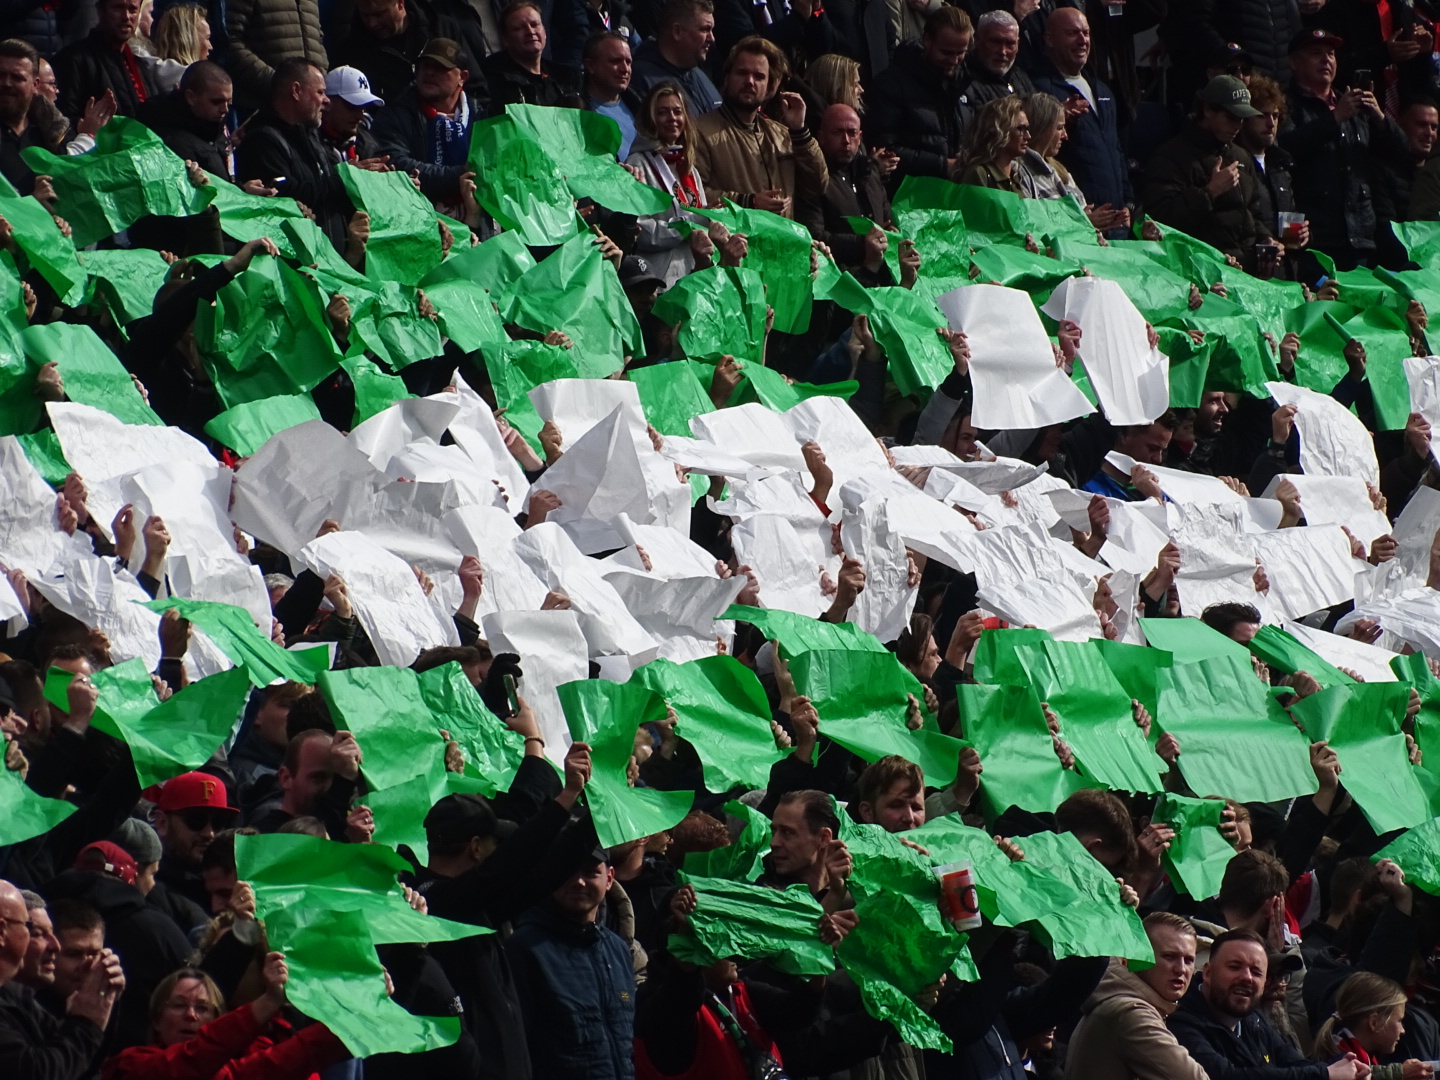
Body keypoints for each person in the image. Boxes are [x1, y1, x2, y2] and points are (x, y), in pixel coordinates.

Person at [506, 845, 637, 1080]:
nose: (578, 881)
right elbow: (513, 1048)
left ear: (609, 878)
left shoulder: (617, 949)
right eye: (566, 870)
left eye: (590, 872)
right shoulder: (524, 948)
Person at [1283, 28, 1407, 274]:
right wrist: (1335, 118)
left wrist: (1380, 119)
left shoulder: (1352, 104)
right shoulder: (1284, 103)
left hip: (1359, 236)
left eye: (1330, 53)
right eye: (1315, 53)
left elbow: (1403, 156)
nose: (1326, 59)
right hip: (1313, 240)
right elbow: (1283, 151)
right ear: (1293, 63)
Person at [100, 957, 349, 1079]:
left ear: (218, 1020)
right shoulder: (129, 1066)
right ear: (156, 1019)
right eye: (178, 1005)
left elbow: (289, 1059)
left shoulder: (229, 1073)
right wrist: (268, 1002)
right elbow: (193, 1061)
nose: (190, 1015)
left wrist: (357, 1009)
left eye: (203, 1008)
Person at [1170, 929, 1365, 1079]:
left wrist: (1347, 1066)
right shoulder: (1180, 1021)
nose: (1246, 977)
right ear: (1208, 973)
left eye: (1256, 972)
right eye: (1235, 967)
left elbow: (1295, 1063)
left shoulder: (1253, 1019)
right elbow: (1226, 1076)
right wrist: (1326, 1075)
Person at [1141, 75, 1282, 275]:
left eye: (1242, 119)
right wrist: (1209, 192)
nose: (1237, 125)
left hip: (1246, 275)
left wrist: (1266, 241)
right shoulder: (1171, 157)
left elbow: (1253, 214)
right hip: (1202, 276)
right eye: (1231, 117)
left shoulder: (1240, 155)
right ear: (1207, 110)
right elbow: (1159, 222)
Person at [0, 878, 124, 1079]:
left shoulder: (21, 999)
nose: (55, 946)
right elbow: (37, 1073)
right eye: (33, 930)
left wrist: (99, 1002)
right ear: (1, 931)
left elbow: (80, 1067)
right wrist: (86, 1022)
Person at [691, 34, 826, 218]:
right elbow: (692, 196)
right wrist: (749, 202)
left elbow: (818, 184)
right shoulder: (699, 131)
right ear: (727, 77)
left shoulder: (783, 134)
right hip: (733, 243)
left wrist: (799, 131)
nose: (750, 82)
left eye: (759, 76)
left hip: (783, 243)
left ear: (770, 86)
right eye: (742, 73)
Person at [1064, 912, 1209, 1080]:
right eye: (1169, 956)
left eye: (1189, 960)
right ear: (1138, 956)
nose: (1181, 969)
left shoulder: (1118, 1000)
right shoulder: (1131, 1012)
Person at [1028, 8, 1131, 233]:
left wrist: (1128, 202)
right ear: (1049, 39)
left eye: (1086, 33)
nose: (1082, 40)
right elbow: (1033, 150)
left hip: (1117, 223)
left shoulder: (1102, 90)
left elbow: (1116, 151)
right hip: (1078, 224)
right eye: (1072, 33)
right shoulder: (1038, 90)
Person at [234, 59, 352, 250]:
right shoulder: (262, 141)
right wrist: (346, 178)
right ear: (296, 91)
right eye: (320, 92)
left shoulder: (310, 136)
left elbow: (327, 187)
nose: (326, 100)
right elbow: (287, 196)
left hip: (329, 265)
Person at [865, 4, 973, 181]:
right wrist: (942, 165)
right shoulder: (891, 85)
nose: (954, 61)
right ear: (927, 40)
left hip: (954, 193)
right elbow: (884, 150)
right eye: (946, 52)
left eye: (961, 53)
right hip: (909, 195)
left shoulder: (964, 83)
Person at [372, 37, 482, 212]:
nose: (429, 72)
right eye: (424, 66)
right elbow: (397, 164)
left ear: (463, 77)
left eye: (440, 68)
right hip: (422, 217)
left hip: (478, 222)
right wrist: (460, 174)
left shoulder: (481, 115)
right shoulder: (395, 114)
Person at [797, 102, 902, 284]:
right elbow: (814, 236)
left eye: (852, 133)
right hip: (836, 282)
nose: (846, 140)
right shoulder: (813, 179)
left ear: (860, 137)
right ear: (821, 137)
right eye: (837, 132)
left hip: (881, 279)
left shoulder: (870, 173)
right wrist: (864, 245)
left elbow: (886, 220)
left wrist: (892, 234)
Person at [626, 81, 712, 287]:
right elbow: (641, 231)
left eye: (677, 112)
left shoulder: (689, 168)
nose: (672, 118)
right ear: (651, 118)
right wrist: (690, 224)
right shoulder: (637, 164)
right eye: (663, 112)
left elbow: (701, 221)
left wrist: (714, 218)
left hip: (694, 276)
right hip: (658, 281)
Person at [242, 728, 365, 840]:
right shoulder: (265, 836)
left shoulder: (347, 829)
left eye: (335, 778)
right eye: (318, 778)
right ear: (286, 778)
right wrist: (343, 783)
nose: (329, 787)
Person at [149, 771, 239, 922]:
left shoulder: (231, 876)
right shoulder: (149, 886)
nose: (209, 833)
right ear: (162, 823)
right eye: (196, 820)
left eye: (218, 822)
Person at [51, 0, 158, 121]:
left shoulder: (141, 66)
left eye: (133, 10)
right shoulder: (73, 60)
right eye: (118, 8)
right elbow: (64, 118)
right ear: (100, 10)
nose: (126, 16)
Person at [1312, 972, 1433, 1078]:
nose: (1402, 1030)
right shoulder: (1341, 1063)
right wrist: (1398, 1074)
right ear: (1374, 1023)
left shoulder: (1348, 1048)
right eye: (1399, 1021)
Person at [334, 0, 452, 105]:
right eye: (365, 15)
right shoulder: (352, 52)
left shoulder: (442, 29)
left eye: (379, 14)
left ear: (400, 3)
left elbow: (467, 81)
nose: (372, 23)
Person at [225, 0, 326, 107]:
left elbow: (317, 40)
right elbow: (230, 42)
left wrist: (320, 79)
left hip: (308, 105)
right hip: (263, 106)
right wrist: (278, 84)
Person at [0, 37, 69, 196]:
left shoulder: (52, 134)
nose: (6, 83)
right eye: (1, 75)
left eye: (17, 77)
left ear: (35, 85)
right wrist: (33, 204)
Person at [481, 0, 581, 108]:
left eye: (535, 25)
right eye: (519, 28)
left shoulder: (566, 80)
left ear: (545, 31)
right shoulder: (493, 82)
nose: (530, 31)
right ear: (505, 39)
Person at [630, 0, 720, 118]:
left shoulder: (699, 75)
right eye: (704, 29)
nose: (712, 38)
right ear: (677, 32)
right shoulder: (642, 78)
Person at [954, 94, 1031, 192]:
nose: (1028, 136)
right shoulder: (979, 173)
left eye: (1027, 129)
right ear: (1000, 130)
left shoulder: (1017, 174)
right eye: (1020, 129)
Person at [582, 30, 639, 158]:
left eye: (628, 62)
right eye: (615, 61)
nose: (625, 69)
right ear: (590, 66)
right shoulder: (576, 112)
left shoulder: (640, 105)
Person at [318, 65, 386, 165]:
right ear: (327, 102)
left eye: (363, 108)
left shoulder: (368, 143)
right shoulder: (308, 145)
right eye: (352, 106)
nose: (360, 116)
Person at [964, 10, 1034, 107]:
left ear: (1018, 44)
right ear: (977, 40)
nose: (1002, 51)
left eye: (1010, 44)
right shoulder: (964, 82)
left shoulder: (1019, 76)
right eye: (995, 42)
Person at [148, 3, 211, 91]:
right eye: (207, 38)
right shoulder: (198, 86)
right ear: (189, 40)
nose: (210, 47)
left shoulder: (149, 72)